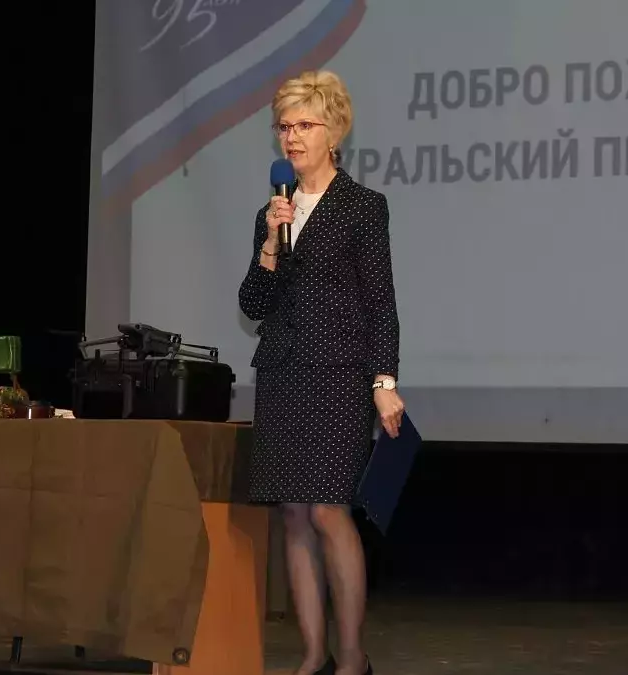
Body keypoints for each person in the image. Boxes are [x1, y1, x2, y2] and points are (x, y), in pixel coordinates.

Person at [238, 70, 404, 675]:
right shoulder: (272, 213)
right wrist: (269, 245)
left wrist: (384, 382)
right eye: (284, 126)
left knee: (329, 509)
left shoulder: (363, 206)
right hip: (283, 375)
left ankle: (353, 658)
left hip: (339, 377)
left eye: (304, 124)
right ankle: (313, 657)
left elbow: (380, 302)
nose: (291, 137)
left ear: (333, 132)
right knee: (293, 513)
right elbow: (253, 303)